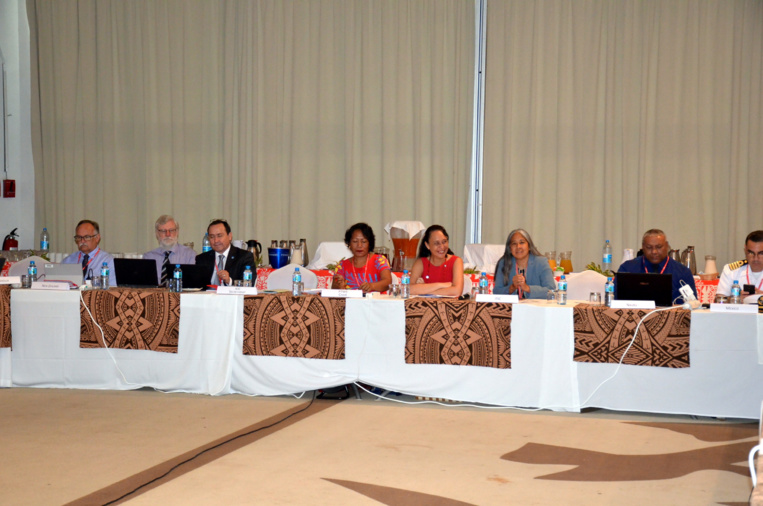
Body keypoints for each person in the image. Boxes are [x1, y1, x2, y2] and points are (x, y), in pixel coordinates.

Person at [617, 229, 697, 303]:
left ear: (667, 246)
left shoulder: (682, 272)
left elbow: (692, 305)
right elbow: (617, 300)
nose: (654, 252)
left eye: (659, 247)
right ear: (643, 247)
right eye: (649, 247)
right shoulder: (627, 268)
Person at [493, 229, 556, 299]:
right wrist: (512, 287)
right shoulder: (504, 263)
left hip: (535, 305)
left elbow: (551, 291)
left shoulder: (541, 262)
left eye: (522, 242)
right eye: (514, 243)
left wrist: (527, 288)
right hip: (511, 306)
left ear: (529, 246)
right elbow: (496, 292)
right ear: (510, 249)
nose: (518, 247)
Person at [331, 223, 392, 292]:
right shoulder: (342, 265)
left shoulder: (379, 260)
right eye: (355, 241)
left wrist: (372, 286)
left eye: (363, 241)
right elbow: (334, 291)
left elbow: (388, 282)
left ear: (369, 243)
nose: (359, 245)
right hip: (350, 299)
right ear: (349, 243)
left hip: (376, 299)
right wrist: (338, 286)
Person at [195, 219, 255, 287]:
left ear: (229, 236)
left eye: (219, 235)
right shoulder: (201, 259)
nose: (216, 240)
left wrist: (229, 281)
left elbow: (249, 285)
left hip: (232, 293)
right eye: (212, 237)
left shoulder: (244, 257)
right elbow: (196, 285)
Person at [409, 225, 464, 296]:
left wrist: (424, 289)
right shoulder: (421, 263)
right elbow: (409, 289)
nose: (442, 247)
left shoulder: (456, 261)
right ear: (427, 245)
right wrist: (441, 285)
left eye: (444, 242)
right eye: (436, 243)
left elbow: (456, 291)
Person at [143, 215, 196, 286]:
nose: (168, 234)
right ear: (157, 234)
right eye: (163, 231)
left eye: (171, 230)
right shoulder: (148, 257)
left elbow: (192, 284)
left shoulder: (189, 255)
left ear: (177, 232)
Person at [62, 219, 117, 286]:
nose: (82, 241)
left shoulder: (109, 261)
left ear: (97, 238)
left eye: (87, 237)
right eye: (79, 237)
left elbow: (113, 288)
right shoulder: (67, 261)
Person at [716, 230, 763, 297]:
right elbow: (719, 299)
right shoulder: (731, 270)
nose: (755, 258)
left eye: (761, 253)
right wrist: (736, 299)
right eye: (751, 253)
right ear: (745, 250)